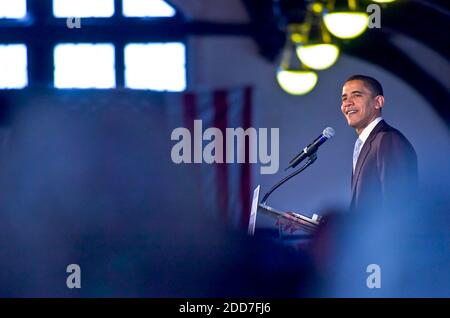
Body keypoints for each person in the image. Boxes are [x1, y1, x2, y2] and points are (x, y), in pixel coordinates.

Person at [340, 74, 418, 214]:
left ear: (378, 102)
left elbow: (398, 205)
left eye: (356, 95)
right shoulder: (366, 142)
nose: (347, 103)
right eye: (344, 98)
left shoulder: (388, 139)